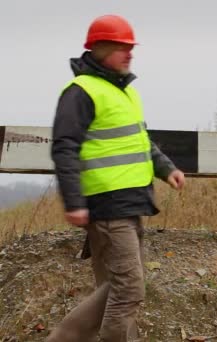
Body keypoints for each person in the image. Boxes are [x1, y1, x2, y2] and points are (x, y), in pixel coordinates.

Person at [47, 14, 186, 342]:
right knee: (129, 288)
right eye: (122, 47)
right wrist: (74, 201)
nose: (130, 53)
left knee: (117, 286)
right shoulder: (80, 92)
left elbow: (139, 141)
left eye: (130, 47)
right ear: (101, 49)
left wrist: (167, 169)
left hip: (132, 202)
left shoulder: (124, 93)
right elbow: (64, 149)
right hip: (107, 206)